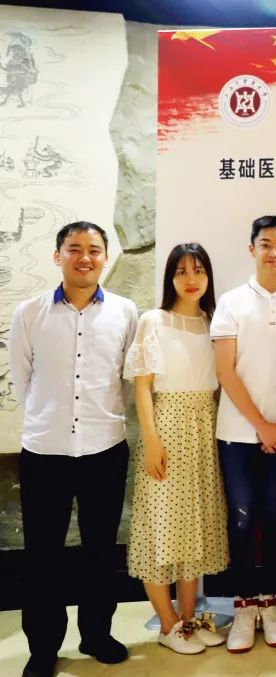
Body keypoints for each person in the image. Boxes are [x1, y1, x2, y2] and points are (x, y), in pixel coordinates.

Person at [11, 221, 138, 677]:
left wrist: (103, 416)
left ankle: (97, 634)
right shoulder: (30, 313)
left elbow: (127, 380)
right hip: (45, 451)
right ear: (57, 255)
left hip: (104, 447)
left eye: (94, 249)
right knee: (42, 555)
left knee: (100, 549)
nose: (85, 257)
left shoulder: (125, 312)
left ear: (105, 257)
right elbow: (22, 379)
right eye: (74, 248)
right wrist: (51, 419)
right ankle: (43, 647)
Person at [124, 243, 229, 655]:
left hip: (204, 428)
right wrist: (151, 441)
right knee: (160, 525)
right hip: (166, 426)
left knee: (195, 527)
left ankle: (188, 620)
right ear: (170, 277)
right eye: (181, 271)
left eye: (198, 270)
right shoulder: (154, 320)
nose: (191, 279)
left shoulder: (212, 322)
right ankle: (168, 625)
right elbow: (142, 386)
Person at [211, 215, 276, 652]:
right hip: (237, 433)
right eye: (266, 244)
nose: (273, 252)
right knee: (241, 517)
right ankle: (242, 606)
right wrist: (262, 426)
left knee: (272, 515)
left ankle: (270, 603)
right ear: (251, 249)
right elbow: (225, 372)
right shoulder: (231, 302)